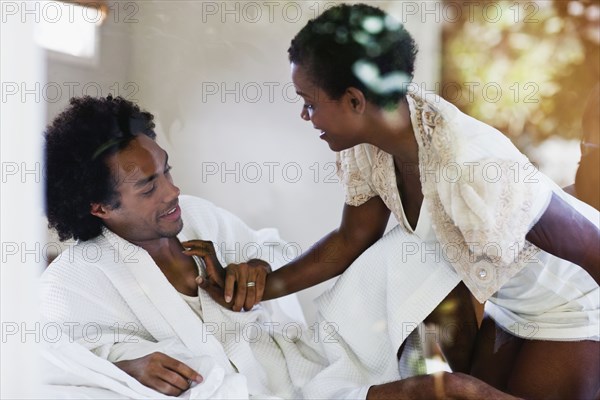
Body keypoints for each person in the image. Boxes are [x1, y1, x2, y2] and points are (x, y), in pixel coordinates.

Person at [197, 4, 600, 399]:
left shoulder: (471, 164)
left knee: (462, 391)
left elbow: (591, 247)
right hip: (512, 306)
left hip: (573, 302)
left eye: (310, 102)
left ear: (355, 101)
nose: (305, 116)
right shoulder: (370, 147)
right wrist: (257, 290)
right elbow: (350, 239)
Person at [40, 95, 327, 398]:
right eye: (149, 187)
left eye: (167, 170)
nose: (172, 191)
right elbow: (47, 363)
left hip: (291, 379)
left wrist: (259, 268)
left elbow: (274, 248)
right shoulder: (75, 278)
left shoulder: (197, 215)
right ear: (100, 207)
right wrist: (125, 369)